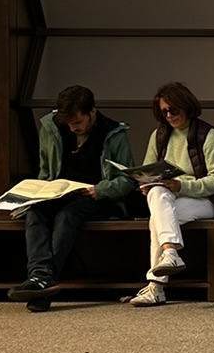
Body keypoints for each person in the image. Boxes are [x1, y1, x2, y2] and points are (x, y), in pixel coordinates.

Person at [8, 84, 135, 310]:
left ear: (92, 111)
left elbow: (128, 180)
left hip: (98, 199)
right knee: (36, 212)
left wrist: (101, 190)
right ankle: (41, 277)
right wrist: (32, 198)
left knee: (67, 216)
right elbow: (45, 172)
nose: (72, 127)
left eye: (77, 122)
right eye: (68, 122)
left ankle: (42, 280)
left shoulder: (113, 132)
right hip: (59, 193)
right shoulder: (51, 127)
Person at [123, 81, 214, 308]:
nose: (169, 116)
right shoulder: (159, 136)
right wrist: (145, 184)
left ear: (187, 106)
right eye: (164, 112)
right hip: (167, 197)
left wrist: (180, 186)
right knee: (157, 198)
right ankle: (170, 254)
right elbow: (148, 170)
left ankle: (156, 287)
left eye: (173, 110)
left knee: (157, 219)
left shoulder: (208, 135)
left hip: (206, 200)